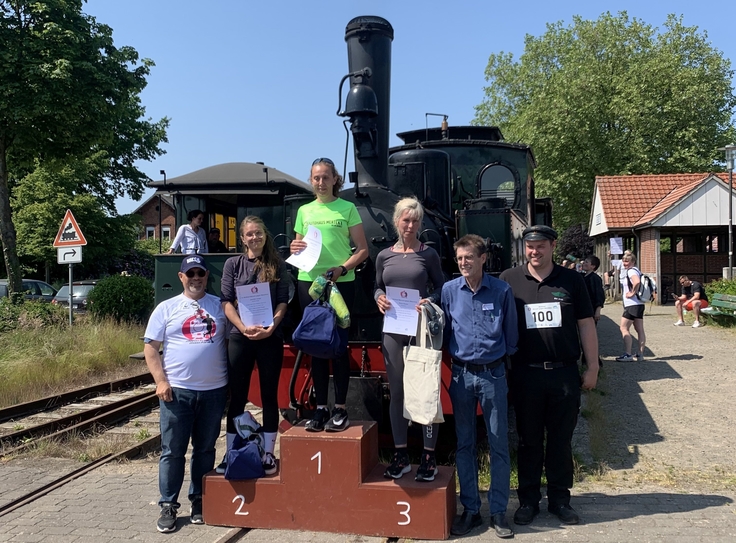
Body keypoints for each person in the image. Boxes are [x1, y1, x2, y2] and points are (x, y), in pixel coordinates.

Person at [500, 225, 598, 527]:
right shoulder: (509, 280)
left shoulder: (572, 281)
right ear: (524, 248)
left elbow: (585, 324)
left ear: (552, 246)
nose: (535, 252)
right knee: (529, 442)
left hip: (563, 374)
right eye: (530, 247)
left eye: (541, 246)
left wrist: (592, 366)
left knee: (560, 441)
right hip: (525, 375)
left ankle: (560, 500)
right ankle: (528, 501)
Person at [143, 255, 228, 533]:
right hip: (176, 392)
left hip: (213, 391)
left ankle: (199, 500)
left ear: (206, 276)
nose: (196, 277)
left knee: (205, 449)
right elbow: (151, 348)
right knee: (172, 451)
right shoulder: (166, 308)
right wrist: (161, 381)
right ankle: (168, 504)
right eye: (190, 273)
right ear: (181, 277)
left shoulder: (219, 306)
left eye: (200, 273)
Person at [442, 234, 517, 539]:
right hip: (460, 376)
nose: (463, 263)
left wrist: (499, 362)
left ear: (483, 258)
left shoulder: (501, 291)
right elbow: (440, 322)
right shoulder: (449, 291)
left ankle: (498, 511)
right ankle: (471, 509)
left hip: (493, 375)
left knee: (498, 444)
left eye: (468, 258)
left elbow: (511, 336)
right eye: (459, 258)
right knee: (464, 444)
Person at [289, 157, 368, 432]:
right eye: (316, 178)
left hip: (339, 283)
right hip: (308, 283)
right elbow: (297, 246)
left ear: (335, 179)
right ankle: (321, 408)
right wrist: (294, 246)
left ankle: (341, 408)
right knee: (316, 344)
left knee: (338, 346)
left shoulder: (347, 208)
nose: (320, 182)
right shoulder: (304, 210)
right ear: (311, 181)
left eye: (325, 177)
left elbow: (362, 249)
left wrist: (341, 268)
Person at [374, 197, 445, 482]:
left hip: (421, 328)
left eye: (415, 220)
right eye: (406, 220)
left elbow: (442, 286)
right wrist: (378, 297)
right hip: (393, 328)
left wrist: (431, 299)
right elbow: (377, 286)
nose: (410, 225)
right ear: (397, 222)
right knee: (398, 392)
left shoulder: (428, 254)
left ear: (420, 224)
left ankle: (429, 456)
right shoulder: (383, 256)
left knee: (426, 389)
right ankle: (400, 454)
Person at [217, 216, 289, 476]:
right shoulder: (232, 264)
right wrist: (242, 326)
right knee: (237, 397)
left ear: (264, 235)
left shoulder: (276, 263)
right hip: (241, 336)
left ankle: (269, 453)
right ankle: (231, 450)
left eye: (258, 233)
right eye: (250, 234)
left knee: (270, 397)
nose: (254, 238)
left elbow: (283, 301)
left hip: (270, 337)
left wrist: (272, 326)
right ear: (243, 238)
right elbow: (226, 301)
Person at [615, 252, 647, 361]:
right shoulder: (637, 270)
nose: (625, 263)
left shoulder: (631, 271)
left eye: (627, 261)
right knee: (640, 330)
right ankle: (640, 354)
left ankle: (627, 354)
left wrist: (632, 293)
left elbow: (636, 282)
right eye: (623, 261)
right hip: (639, 304)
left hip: (632, 304)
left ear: (633, 261)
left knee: (623, 328)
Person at [582, 255, 605, 368]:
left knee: (589, 335)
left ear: (593, 266)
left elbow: (599, 295)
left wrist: (598, 310)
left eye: (587, 262)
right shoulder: (583, 277)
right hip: (584, 309)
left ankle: (594, 360)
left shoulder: (595, 279)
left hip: (591, 310)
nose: (584, 263)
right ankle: (585, 359)